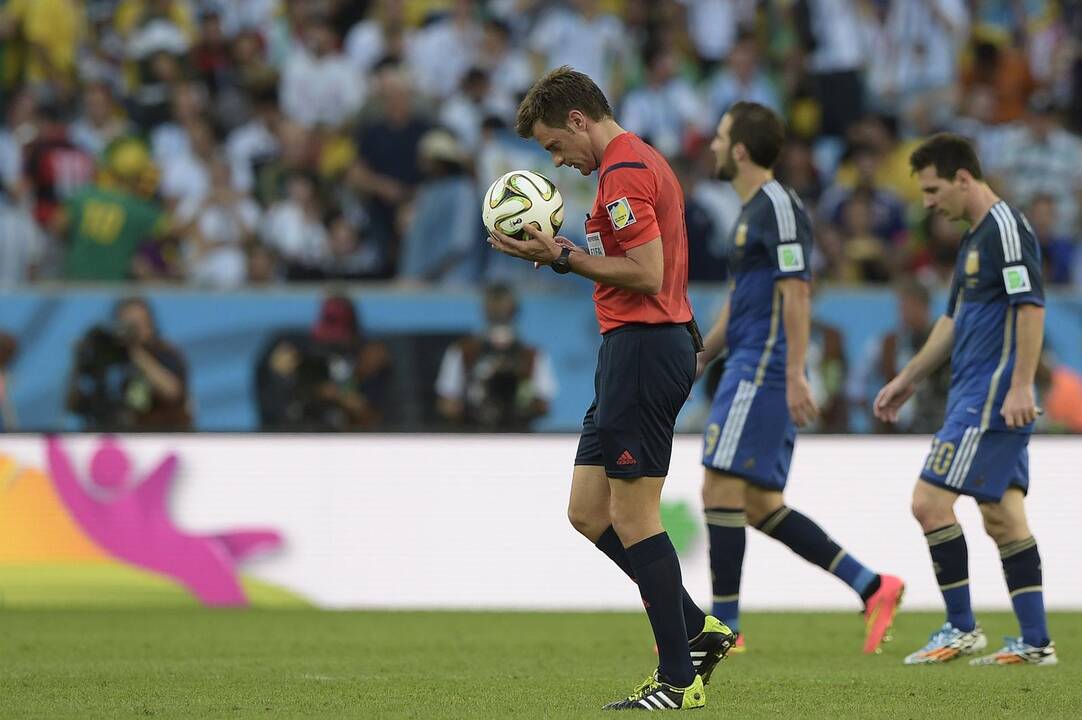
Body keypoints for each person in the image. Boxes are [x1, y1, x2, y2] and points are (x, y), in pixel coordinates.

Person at [488, 66, 734, 711]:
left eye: (552, 146)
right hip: (633, 347)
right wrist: (567, 255)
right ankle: (698, 632)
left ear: (577, 120)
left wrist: (560, 258)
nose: (557, 162)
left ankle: (677, 679)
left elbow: (648, 274)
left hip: (645, 349)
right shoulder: (631, 165)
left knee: (633, 515)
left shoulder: (625, 173)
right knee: (589, 511)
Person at [694, 101, 904, 655]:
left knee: (718, 486)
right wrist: (702, 354)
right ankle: (872, 585)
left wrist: (792, 375)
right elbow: (742, 297)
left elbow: (797, 289)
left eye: (720, 137)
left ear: (740, 149)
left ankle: (723, 629)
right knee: (760, 505)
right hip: (746, 360)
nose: (713, 146)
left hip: (763, 366)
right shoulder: (751, 214)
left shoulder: (779, 205)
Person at [875, 133, 1057, 666]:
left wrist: (1022, 383)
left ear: (962, 177)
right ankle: (1035, 641)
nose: (928, 202)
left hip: (992, 397)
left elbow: (1031, 307)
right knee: (1002, 515)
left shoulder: (1005, 229)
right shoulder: (975, 238)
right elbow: (952, 321)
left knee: (928, 503)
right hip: (974, 396)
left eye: (933, 189)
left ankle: (960, 628)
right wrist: (909, 377)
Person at [434, 283, 557, 432]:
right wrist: (470, 408)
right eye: (494, 309)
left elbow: (544, 404)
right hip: (473, 432)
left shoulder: (532, 355)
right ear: (485, 311)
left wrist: (521, 404)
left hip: (518, 434)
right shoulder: (464, 351)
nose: (499, 313)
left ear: (514, 311)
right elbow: (447, 401)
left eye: (503, 309)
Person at [67, 296, 191, 431]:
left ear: (150, 325)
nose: (132, 330)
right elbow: (74, 405)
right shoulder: (109, 358)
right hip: (114, 436)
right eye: (126, 324)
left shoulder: (165, 353)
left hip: (161, 436)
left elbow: (172, 392)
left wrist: (134, 352)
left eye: (137, 324)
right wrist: (80, 362)